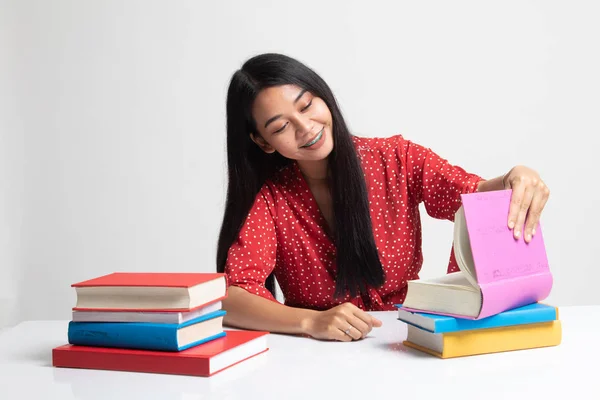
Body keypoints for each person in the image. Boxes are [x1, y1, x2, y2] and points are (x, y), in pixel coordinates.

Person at [216, 53, 550, 342]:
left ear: (323, 95)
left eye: (307, 105)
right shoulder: (272, 199)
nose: (305, 127)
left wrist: (513, 178)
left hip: (409, 340)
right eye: (280, 127)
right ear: (263, 143)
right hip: (319, 357)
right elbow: (232, 296)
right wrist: (311, 321)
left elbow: (469, 195)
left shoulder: (395, 159)